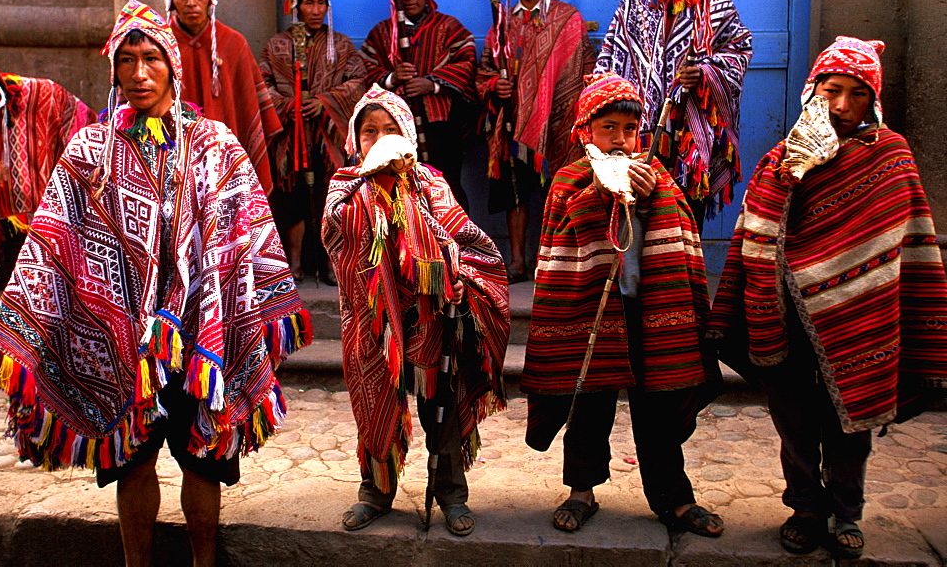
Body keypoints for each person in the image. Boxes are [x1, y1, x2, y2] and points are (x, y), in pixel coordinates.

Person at [0, 0, 311, 567]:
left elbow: (247, 233)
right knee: (132, 459)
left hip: (202, 335)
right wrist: (21, 328)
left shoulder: (218, 147)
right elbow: (54, 238)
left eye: (151, 57)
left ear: (172, 66)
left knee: (203, 459)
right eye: (125, 61)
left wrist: (239, 307)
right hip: (118, 339)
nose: (138, 73)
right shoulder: (90, 150)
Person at [707, 36, 947, 560]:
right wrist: (793, 171)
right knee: (792, 416)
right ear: (812, 92)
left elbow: (908, 239)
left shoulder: (891, 156)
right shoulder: (783, 157)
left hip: (860, 313)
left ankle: (846, 511)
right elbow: (757, 231)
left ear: (873, 100)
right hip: (786, 313)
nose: (841, 106)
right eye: (831, 90)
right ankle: (805, 508)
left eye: (856, 94)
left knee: (851, 419)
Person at [521, 73, 723, 537]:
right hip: (591, 312)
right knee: (589, 406)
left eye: (629, 130)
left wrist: (647, 198)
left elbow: (678, 235)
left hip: (647, 311)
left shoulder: (657, 177)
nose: (619, 139)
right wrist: (599, 193)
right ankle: (581, 491)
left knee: (657, 408)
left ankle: (674, 498)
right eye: (607, 127)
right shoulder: (569, 180)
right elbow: (565, 239)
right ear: (584, 131)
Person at [322, 84, 509, 536]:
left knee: (440, 407)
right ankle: (376, 490)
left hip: (430, 322)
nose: (379, 138)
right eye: (369, 131)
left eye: (390, 129)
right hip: (371, 323)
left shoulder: (430, 184)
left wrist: (459, 278)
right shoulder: (345, 189)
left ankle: (450, 492)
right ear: (355, 140)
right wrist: (380, 185)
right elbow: (337, 237)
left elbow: (466, 240)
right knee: (374, 404)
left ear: (408, 134)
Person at [594, 0, 752, 230]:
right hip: (641, 126)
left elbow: (740, 48)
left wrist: (706, 72)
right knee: (637, 208)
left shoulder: (716, 3)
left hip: (691, 128)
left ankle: (684, 274)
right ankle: (640, 279)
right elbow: (613, 49)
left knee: (686, 210)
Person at [478, 0, 595, 283]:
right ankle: (517, 262)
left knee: (561, 190)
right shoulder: (502, 25)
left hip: (560, 122)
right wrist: (495, 85)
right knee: (516, 193)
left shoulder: (567, 18)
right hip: (513, 122)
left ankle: (556, 262)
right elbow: (483, 71)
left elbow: (584, 68)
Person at [259, 0, 367, 283]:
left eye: (321, 3)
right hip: (289, 137)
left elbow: (358, 80)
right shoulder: (278, 45)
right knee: (290, 201)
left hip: (327, 137)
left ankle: (331, 264)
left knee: (329, 198)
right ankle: (292, 264)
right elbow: (261, 83)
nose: (316, 9)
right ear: (297, 5)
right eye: (309, 2)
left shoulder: (342, 44)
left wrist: (322, 102)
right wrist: (287, 105)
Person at [0, 63, 94, 297]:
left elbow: (79, 119)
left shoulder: (42, 94)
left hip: (50, 207)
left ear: (0, 106)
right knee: (10, 282)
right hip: (4, 216)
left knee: (50, 279)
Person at [360, 0, 479, 210]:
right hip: (394, 126)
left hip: (440, 126)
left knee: (446, 184)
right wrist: (391, 78)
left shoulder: (449, 27)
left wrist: (432, 83)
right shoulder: (382, 32)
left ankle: (456, 244)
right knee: (399, 186)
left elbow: (468, 61)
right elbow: (364, 68)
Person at [165, 0, 281, 195]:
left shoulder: (233, 43)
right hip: (172, 152)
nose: (191, 2)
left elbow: (249, 106)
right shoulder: (160, 44)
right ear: (171, 1)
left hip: (223, 153)